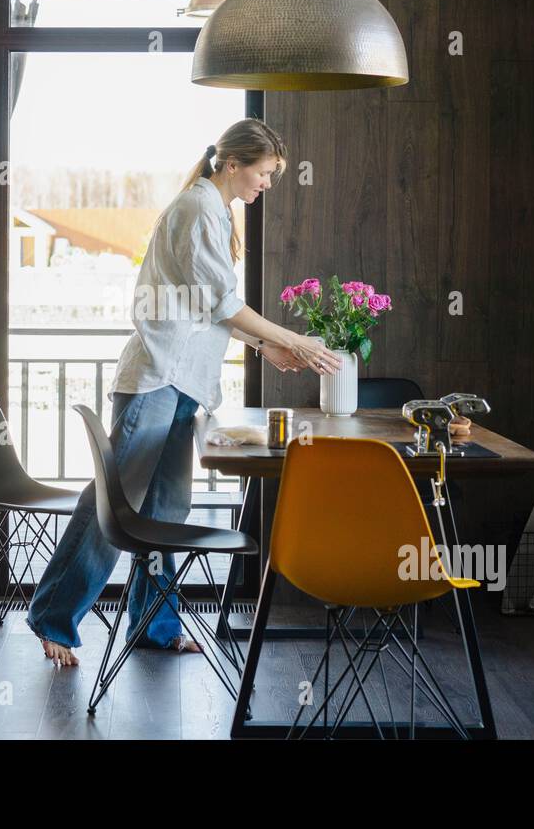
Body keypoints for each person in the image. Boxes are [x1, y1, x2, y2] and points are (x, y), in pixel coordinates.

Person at [26, 118, 344, 667]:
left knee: (165, 513)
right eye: (265, 173)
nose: (267, 184)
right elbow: (222, 301)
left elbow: (207, 304)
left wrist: (265, 347)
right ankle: (53, 616)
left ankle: (155, 624)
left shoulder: (214, 211)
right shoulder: (198, 209)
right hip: (155, 379)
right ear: (234, 163)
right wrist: (291, 338)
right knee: (113, 507)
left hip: (182, 383)